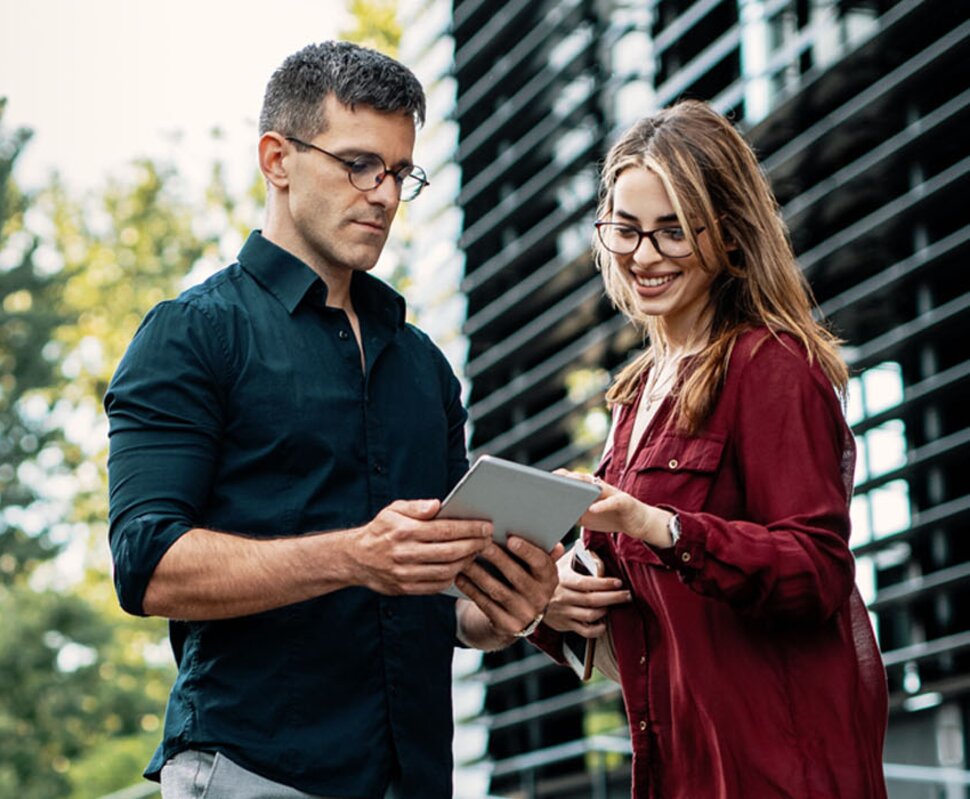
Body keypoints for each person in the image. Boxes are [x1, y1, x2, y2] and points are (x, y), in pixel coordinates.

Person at [105, 41, 559, 799]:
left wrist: (506, 607)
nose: (383, 193)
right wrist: (353, 556)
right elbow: (145, 562)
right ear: (277, 159)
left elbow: (446, 603)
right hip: (253, 770)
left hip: (412, 776)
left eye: (399, 172)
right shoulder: (191, 334)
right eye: (358, 164)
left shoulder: (425, 368)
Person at [529, 100, 889, 798]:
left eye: (672, 233)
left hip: (779, 775)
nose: (643, 256)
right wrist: (561, 599)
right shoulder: (633, 397)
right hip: (679, 772)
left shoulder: (773, 365)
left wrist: (652, 524)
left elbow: (816, 571)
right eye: (626, 230)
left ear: (726, 234)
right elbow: (650, 622)